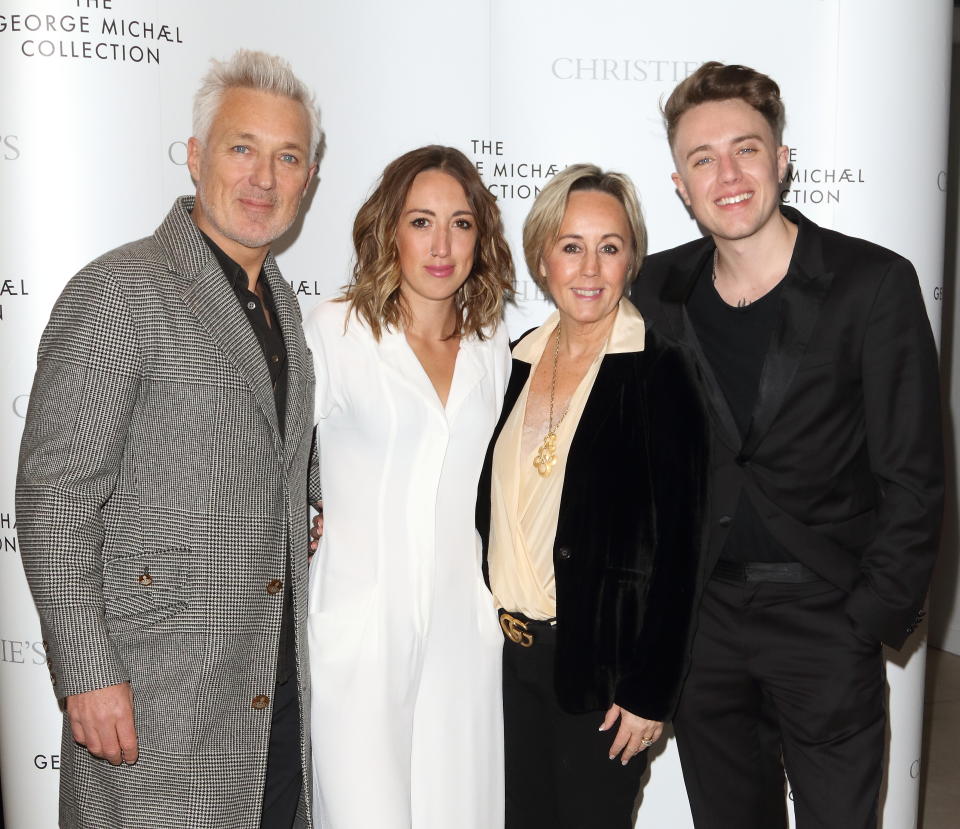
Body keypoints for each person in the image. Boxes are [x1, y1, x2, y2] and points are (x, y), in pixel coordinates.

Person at [631, 61, 944, 829]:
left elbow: (917, 476)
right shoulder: (655, 290)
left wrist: (865, 617)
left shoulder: (872, 284)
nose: (726, 174)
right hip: (703, 624)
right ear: (680, 183)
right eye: (702, 159)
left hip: (825, 617)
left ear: (783, 160)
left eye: (746, 149)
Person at [16, 50, 322, 829]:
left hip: (267, 693)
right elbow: (55, 496)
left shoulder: (283, 309)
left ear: (309, 181)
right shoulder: (121, 290)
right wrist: (86, 672)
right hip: (152, 695)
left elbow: (263, 453)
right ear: (194, 157)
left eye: (288, 157)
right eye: (241, 148)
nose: (264, 177)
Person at [475, 164, 709, 829]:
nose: (590, 266)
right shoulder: (514, 358)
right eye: (571, 244)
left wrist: (650, 691)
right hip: (507, 661)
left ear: (631, 257)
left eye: (610, 246)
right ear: (542, 256)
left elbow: (682, 550)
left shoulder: (661, 371)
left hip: (601, 675)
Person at [302, 145, 515, 828]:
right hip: (360, 629)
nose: (442, 244)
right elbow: (272, 460)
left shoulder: (492, 346)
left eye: (460, 222)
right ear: (390, 228)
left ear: (480, 236)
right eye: (422, 221)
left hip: (463, 633)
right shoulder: (336, 330)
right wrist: (307, 515)